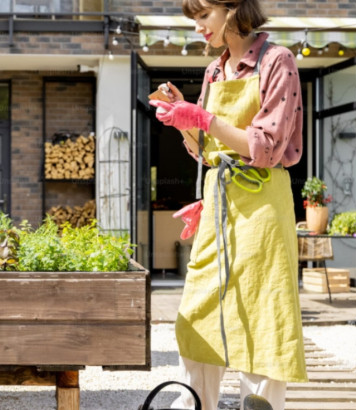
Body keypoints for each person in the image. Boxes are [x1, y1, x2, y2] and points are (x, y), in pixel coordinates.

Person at [148, 0, 308, 409]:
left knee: (261, 308)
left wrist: (203, 119)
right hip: (218, 202)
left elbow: (266, 146)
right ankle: (193, 403)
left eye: (204, 16)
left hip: (262, 206)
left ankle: (260, 405)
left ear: (233, 8)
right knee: (197, 310)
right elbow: (207, 151)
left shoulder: (277, 61)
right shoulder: (214, 71)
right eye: (195, 19)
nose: (199, 27)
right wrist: (184, 119)